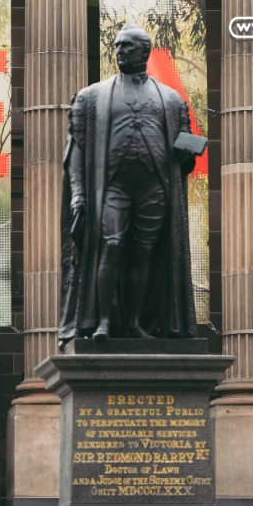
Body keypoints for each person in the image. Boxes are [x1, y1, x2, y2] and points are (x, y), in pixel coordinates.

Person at [59, 24, 199, 341]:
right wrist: (78, 195)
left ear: (144, 52)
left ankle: (136, 323)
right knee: (111, 245)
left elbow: (185, 153)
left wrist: (188, 151)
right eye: (117, 46)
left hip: (155, 187)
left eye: (127, 46)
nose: (119, 51)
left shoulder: (172, 100)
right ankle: (105, 321)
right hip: (111, 187)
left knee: (145, 256)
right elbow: (75, 152)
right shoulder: (91, 97)